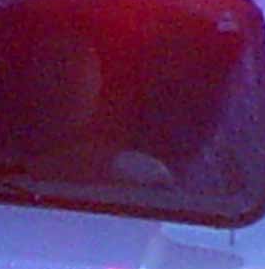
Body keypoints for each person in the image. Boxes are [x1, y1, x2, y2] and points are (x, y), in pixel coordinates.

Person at [17, 30, 172, 187]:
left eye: (78, 63)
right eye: (55, 62)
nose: (68, 75)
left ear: (100, 79)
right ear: (30, 76)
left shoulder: (141, 146)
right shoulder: (0, 148)